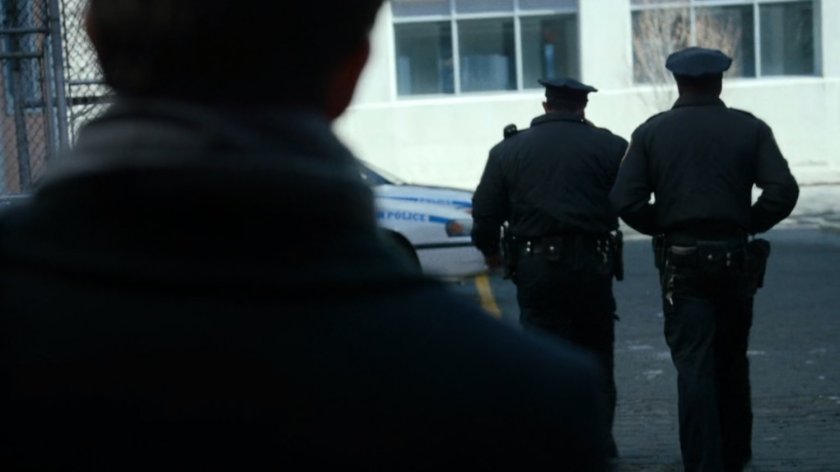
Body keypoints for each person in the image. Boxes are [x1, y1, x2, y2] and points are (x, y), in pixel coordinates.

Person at [0, 1, 613, 470]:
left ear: (96, 37)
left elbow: (487, 210)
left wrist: (494, 249)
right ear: (351, 70)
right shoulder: (525, 402)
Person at [610, 47, 799, 472]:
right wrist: (746, 221)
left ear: (678, 82)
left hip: (682, 262)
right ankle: (735, 455)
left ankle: (702, 461)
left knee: (693, 364)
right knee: (731, 358)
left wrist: (664, 224)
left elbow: (625, 199)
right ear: (719, 82)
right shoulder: (748, 129)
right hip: (735, 259)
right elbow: (782, 190)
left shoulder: (652, 133)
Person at [472, 77, 629, 460]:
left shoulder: (508, 150)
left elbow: (485, 213)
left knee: (540, 353)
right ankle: (597, 443)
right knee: (596, 354)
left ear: (546, 106)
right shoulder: (611, 146)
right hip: (593, 264)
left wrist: (492, 254)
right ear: (583, 108)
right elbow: (630, 199)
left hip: (536, 266)